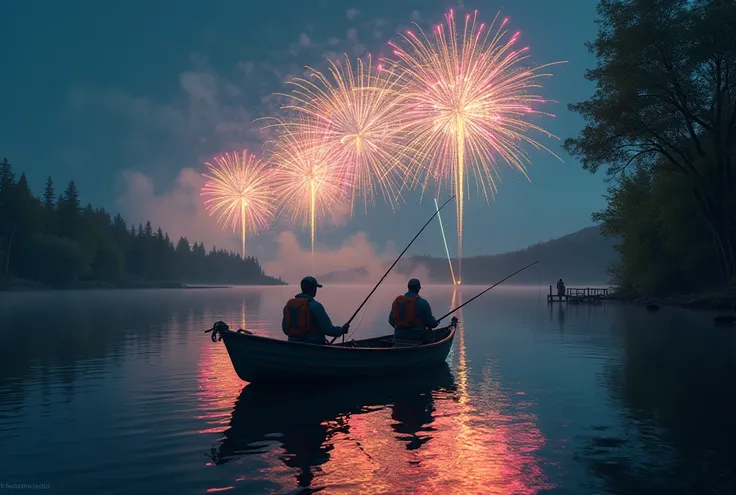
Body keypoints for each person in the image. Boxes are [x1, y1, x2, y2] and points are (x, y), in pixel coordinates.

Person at [282, 276, 349, 345]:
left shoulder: (289, 306)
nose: (316, 290)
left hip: (292, 345)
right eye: (315, 288)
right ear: (313, 289)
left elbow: (285, 329)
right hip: (314, 346)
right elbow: (328, 329)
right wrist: (342, 330)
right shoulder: (316, 306)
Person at [389, 278, 439, 342]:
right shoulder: (423, 303)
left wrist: (402, 329)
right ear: (418, 288)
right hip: (417, 337)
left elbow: (391, 321)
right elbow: (431, 324)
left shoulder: (398, 302)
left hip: (398, 336)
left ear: (408, 287)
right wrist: (436, 323)